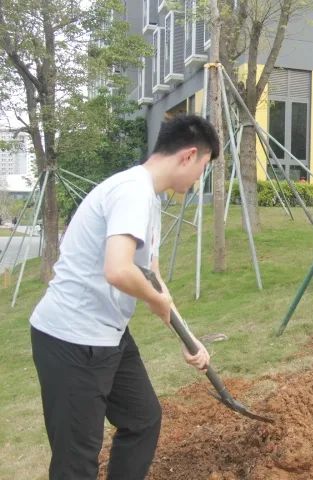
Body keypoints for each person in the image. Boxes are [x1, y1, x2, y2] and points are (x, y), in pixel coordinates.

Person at [29, 115, 220, 479]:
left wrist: (187, 337)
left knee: (142, 418)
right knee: (76, 459)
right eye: (202, 169)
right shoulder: (132, 190)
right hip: (71, 337)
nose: (198, 181)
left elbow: (152, 277)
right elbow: (117, 270)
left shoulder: (150, 200)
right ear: (189, 155)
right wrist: (155, 299)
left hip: (108, 335)